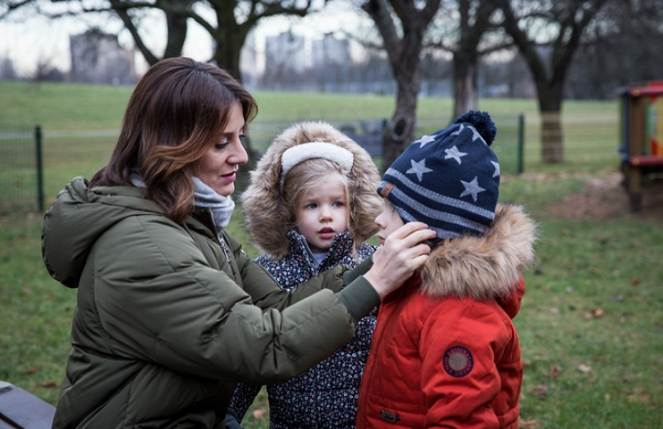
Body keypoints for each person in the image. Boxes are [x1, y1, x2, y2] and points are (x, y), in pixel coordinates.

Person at [40, 57, 436, 429]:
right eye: (221, 143)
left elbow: (278, 304)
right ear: (172, 145)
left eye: (240, 138)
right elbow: (263, 345)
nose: (242, 156)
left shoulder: (190, 224)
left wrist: (377, 263)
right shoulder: (145, 247)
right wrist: (375, 284)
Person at [355, 111, 537, 429]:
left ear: (431, 227)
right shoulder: (412, 281)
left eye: (393, 209)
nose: (379, 221)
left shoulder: (458, 311)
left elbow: (463, 420)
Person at [226, 121, 383, 429]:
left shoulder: (372, 266)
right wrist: (228, 413)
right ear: (289, 211)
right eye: (312, 205)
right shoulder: (268, 274)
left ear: (352, 207)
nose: (326, 214)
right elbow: (254, 351)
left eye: (337, 203)